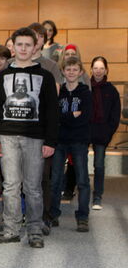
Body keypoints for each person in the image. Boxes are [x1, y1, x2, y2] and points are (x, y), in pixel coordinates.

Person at [0, 27, 58, 249]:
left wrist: (50, 141)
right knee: (10, 186)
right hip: (7, 137)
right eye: (20, 45)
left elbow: (52, 112)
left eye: (28, 45)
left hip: (36, 138)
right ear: (14, 47)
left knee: (33, 187)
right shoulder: (3, 76)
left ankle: (35, 230)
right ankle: (11, 229)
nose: (24, 49)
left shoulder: (45, 77)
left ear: (35, 46)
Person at [48, 56, 92, 233]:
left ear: (80, 72)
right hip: (60, 140)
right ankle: (53, 214)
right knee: (56, 180)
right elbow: (56, 116)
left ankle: (82, 216)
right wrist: (72, 115)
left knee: (82, 181)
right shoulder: (59, 92)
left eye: (75, 69)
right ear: (63, 72)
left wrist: (67, 118)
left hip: (79, 140)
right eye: (68, 69)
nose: (71, 72)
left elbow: (85, 117)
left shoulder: (85, 92)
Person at [88, 56, 122, 211]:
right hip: (85, 131)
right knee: (78, 164)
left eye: (101, 68)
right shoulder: (85, 87)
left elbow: (115, 116)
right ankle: (75, 191)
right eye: (95, 68)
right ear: (91, 70)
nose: (98, 71)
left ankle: (97, 196)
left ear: (106, 70)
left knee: (99, 166)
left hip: (102, 134)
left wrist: (108, 133)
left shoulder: (112, 90)